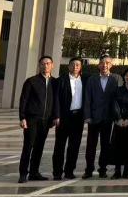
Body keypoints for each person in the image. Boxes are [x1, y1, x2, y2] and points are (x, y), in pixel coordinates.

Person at [17, 55, 60, 183]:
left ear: (52, 65)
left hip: (46, 121)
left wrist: (56, 116)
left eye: (48, 63)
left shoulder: (55, 82)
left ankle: (34, 172)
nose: (45, 66)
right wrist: (22, 117)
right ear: (39, 65)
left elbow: (56, 101)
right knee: (28, 146)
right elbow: (23, 100)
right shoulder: (31, 81)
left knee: (39, 147)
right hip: (32, 119)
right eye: (43, 64)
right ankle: (23, 173)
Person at [83, 54, 119, 179]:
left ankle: (102, 169)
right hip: (93, 118)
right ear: (98, 65)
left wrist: (117, 116)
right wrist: (87, 115)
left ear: (111, 65)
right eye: (102, 63)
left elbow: (116, 99)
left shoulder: (115, 80)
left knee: (105, 145)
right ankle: (89, 169)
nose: (105, 65)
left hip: (108, 118)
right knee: (91, 145)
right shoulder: (92, 79)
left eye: (107, 63)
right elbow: (87, 98)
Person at [52, 57, 85, 180]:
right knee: (59, 146)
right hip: (64, 117)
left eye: (78, 65)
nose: (75, 67)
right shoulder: (61, 80)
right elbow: (56, 99)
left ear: (80, 67)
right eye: (73, 64)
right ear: (68, 66)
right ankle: (57, 172)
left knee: (74, 146)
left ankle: (69, 171)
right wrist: (56, 115)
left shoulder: (84, 80)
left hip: (78, 118)